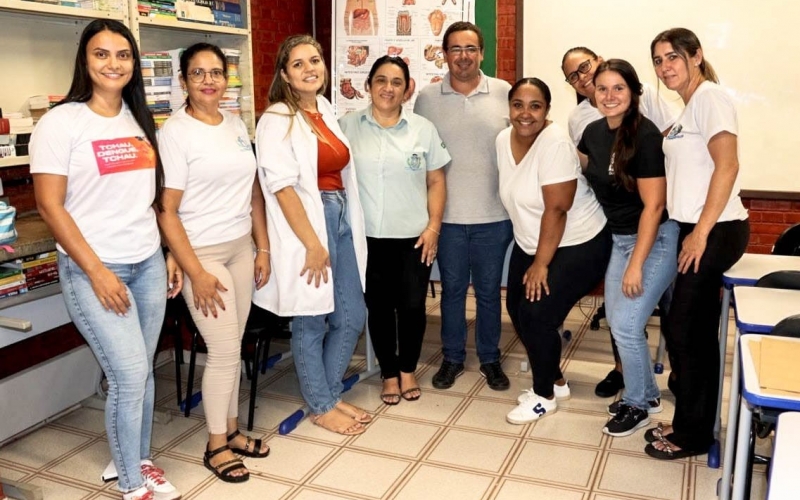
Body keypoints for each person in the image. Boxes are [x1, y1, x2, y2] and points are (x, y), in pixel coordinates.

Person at [30, 19, 180, 500]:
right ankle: (134, 486)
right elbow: (49, 205)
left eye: (123, 55)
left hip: (147, 262)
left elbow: (150, 198)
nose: (113, 63)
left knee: (143, 370)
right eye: (102, 54)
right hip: (96, 269)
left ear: (134, 64)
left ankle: (133, 462)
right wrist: (96, 271)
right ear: (85, 61)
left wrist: (168, 251)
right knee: (128, 374)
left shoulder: (140, 119)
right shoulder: (62, 122)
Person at [156, 43, 271, 483]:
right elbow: (167, 210)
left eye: (217, 72)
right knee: (222, 351)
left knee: (234, 345)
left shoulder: (237, 122)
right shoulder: (176, 133)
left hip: (240, 246)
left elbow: (253, 191)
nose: (209, 80)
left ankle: (234, 431)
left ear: (227, 79)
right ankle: (215, 445)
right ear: (183, 81)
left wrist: (262, 247)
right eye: (199, 73)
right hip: (201, 253)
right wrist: (195, 271)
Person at [253, 34, 371, 436]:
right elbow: (282, 188)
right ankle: (321, 404)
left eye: (315, 60)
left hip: (338, 215)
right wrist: (312, 244)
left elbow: (340, 170)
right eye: (299, 63)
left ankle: (329, 392)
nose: (310, 69)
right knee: (312, 319)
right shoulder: (275, 119)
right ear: (284, 73)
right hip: (306, 223)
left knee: (352, 314)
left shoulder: (323, 108)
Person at [644, 28, 749, 460]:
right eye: (658, 60)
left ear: (696, 56)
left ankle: (694, 434)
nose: (665, 66)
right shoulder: (688, 106)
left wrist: (701, 234)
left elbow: (728, 166)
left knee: (689, 333)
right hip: (695, 228)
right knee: (684, 329)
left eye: (672, 57)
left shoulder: (711, 98)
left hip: (716, 229)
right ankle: (691, 419)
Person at [561, 46, 677, 399]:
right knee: (619, 324)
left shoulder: (645, 136)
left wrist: (636, 265)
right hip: (618, 238)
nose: (609, 96)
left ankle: (639, 400)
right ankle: (646, 397)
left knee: (626, 326)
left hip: (654, 238)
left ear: (633, 92)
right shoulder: (593, 132)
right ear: (592, 94)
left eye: (618, 88)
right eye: (602, 89)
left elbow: (654, 207)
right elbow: (577, 169)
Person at [497, 78, 610, 424]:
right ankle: (556, 380)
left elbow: (557, 209)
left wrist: (541, 264)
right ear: (509, 107)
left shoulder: (556, 143)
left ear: (547, 110)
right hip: (531, 240)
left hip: (580, 241)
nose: (525, 113)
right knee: (517, 308)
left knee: (537, 314)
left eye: (535, 106)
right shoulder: (503, 139)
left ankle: (544, 396)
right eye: (518, 104)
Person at [339, 55, 449, 405]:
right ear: (368, 86)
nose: (388, 88)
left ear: (407, 89)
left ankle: (408, 369)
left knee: (413, 306)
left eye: (397, 82)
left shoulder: (422, 129)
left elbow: (436, 180)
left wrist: (434, 226)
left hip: (414, 236)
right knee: (380, 307)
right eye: (381, 80)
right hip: (366, 237)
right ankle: (388, 373)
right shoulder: (346, 126)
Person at [414, 21, 513, 391]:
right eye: (455, 49)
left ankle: (490, 358)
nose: (463, 56)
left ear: (482, 53)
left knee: (489, 292)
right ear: (444, 54)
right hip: (447, 218)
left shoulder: (505, 92)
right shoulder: (426, 98)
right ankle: (452, 358)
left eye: (470, 48)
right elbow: (419, 154)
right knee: (453, 291)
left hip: (494, 216)